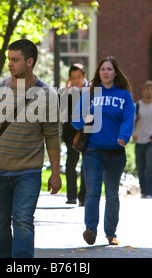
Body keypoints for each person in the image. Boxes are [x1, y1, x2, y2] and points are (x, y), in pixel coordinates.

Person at [0, 38, 62, 258]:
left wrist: (55, 172)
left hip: (29, 172)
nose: (10, 64)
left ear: (30, 61)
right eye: (9, 59)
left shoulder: (47, 94)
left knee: (23, 220)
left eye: (15, 60)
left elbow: (52, 136)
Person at [71, 56, 135, 246]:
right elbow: (75, 120)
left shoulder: (124, 95)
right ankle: (90, 230)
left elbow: (128, 118)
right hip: (93, 151)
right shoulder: (89, 93)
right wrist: (86, 119)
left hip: (116, 152)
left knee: (112, 195)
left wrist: (124, 137)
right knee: (93, 192)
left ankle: (111, 234)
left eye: (109, 69)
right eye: (102, 69)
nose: (105, 72)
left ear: (116, 72)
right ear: (98, 73)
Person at [62, 64, 87, 205]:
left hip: (87, 132)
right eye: (73, 77)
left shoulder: (91, 90)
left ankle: (83, 196)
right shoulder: (67, 92)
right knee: (71, 163)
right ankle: (71, 196)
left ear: (84, 75)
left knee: (86, 164)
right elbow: (63, 114)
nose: (77, 80)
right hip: (71, 132)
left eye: (79, 76)